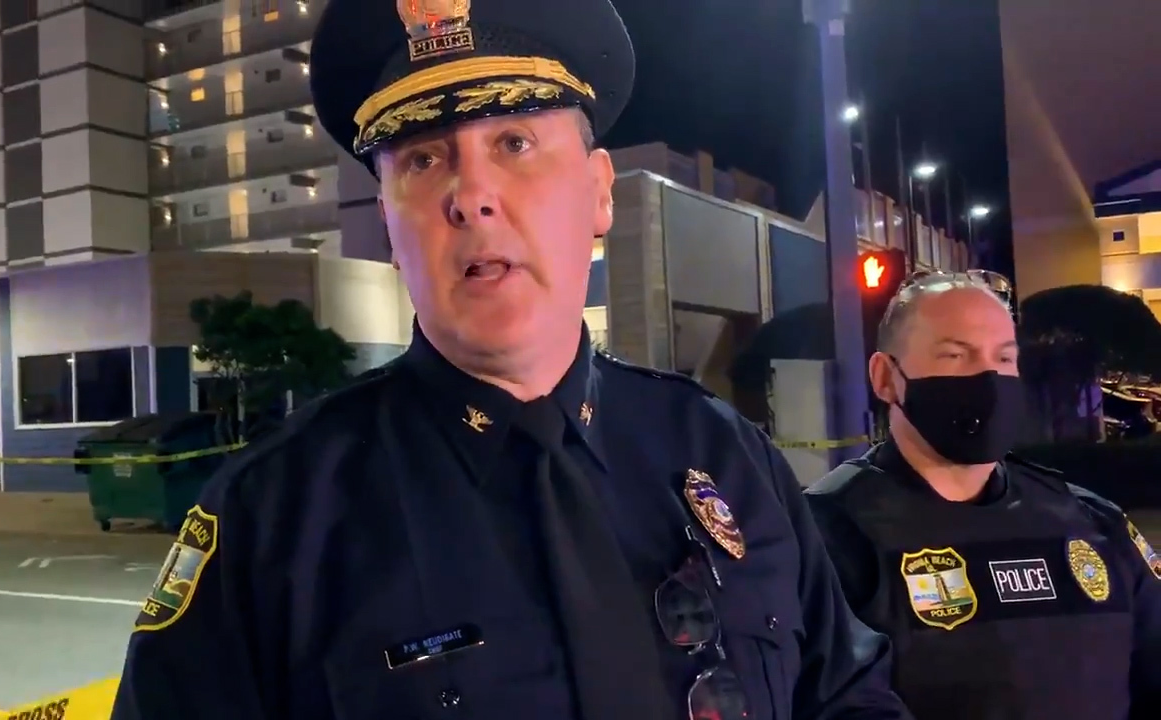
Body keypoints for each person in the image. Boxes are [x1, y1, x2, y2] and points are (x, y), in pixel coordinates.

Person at [110, 0, 912, 717]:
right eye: (424, 159)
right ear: (391, 226)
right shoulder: (274, 517)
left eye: (515, 141)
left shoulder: (729, 459)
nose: (471, 194)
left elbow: (846, 696)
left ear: (600, 192)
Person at [805, 271, 1161, 720]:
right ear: (885, 378)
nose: (988, 378)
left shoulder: (1091, 521)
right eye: (956, 355)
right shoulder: (829, 535)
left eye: (1004, 358)